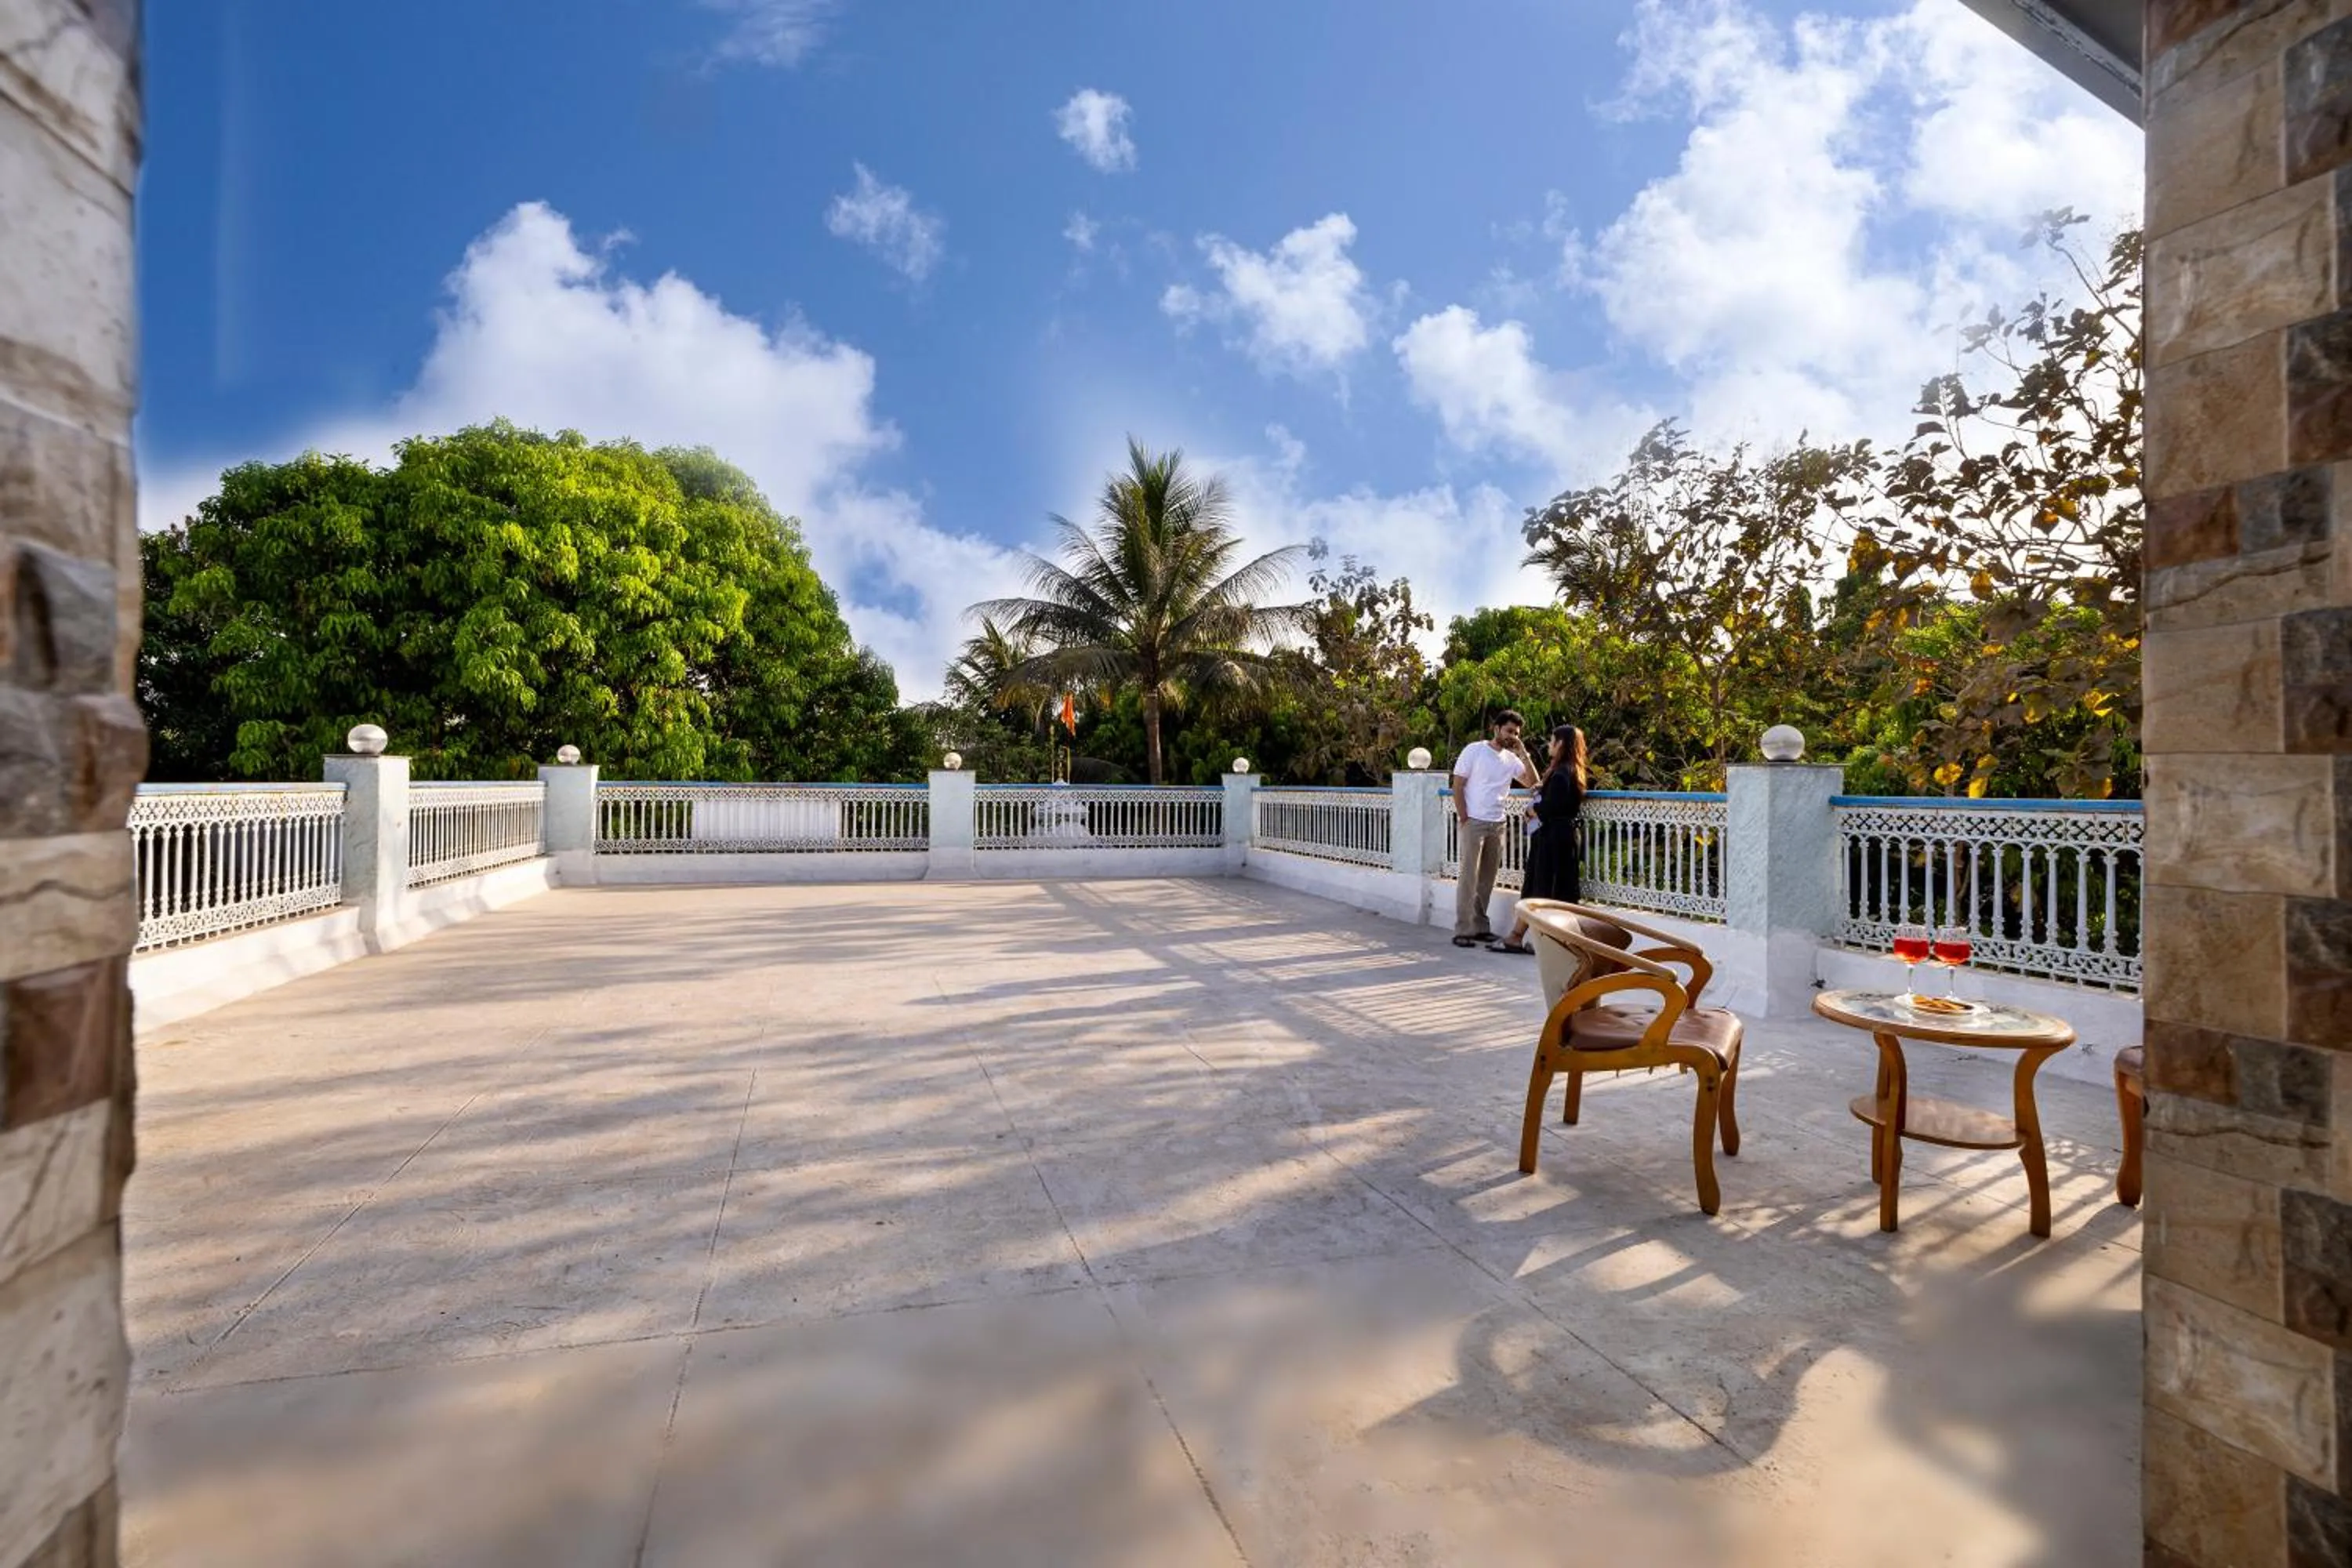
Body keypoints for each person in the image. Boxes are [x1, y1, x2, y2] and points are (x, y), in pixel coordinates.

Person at [1494, 724, 1588, 955]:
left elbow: (1552, 806)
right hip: (1559, 837)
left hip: (1553, 839)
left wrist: (1532, 811)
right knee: (1545, 888)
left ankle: (1524, 938)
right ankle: (1518, 937)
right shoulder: (1570, 770)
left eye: (1552, 740)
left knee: (1543, 888)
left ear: (1561, 744)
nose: (1549, 745)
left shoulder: (1563, 772)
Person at [1450, 710, 1535, 946]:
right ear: (1496, 729)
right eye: (1509, 731)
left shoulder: (1511, 759)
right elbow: (1458, 784)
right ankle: (1463, 930)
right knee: (1469, 876)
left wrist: (1523, 752)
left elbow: (1533, 784)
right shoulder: (1474, 750)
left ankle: (1480, 927)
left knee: (1487, 879)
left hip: (1498, 823)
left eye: (1516, 733)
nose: (1512, 736)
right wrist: (1465, 817)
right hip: (1474, 821)